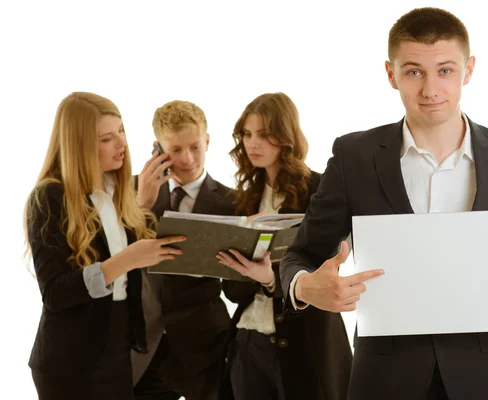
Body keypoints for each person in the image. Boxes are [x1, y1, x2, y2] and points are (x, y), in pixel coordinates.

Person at [278, 8, 488, 400]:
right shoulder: (354, 156)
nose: (431, 90)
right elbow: (299, 255)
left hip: (487, 377)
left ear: (468, 70)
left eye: (446, 71)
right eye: (414, 71)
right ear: (391, 75)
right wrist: (305, 287)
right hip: (384, 377)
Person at [24, 92, 185, 400]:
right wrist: (125, 260)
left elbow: (127, 262)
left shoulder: (117, 191)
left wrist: (144, 206)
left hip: (116, 347)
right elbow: (55, 294)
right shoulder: (49, 198)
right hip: (70, 361)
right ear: (79, 144)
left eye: (121, 131)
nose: (122, 143)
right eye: (107, 138)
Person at [218, 92, 352, 400]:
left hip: (306, 343)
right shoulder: (244, 198)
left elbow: (327, 268)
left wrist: (269, 279)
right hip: (248, 341)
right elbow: (233, 292)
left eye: (264, 135)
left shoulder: (320, 190)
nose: (253, 144)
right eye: (247, 134)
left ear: (285, 136)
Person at [132, 100, 235, 400]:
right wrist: (141, 205)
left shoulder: (233, 202)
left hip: (204, 347)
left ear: (207, 141)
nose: (188, 159)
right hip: (143, 347)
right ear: (157, 149)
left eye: (194, 147)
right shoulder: (133, 191)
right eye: (175, 150)